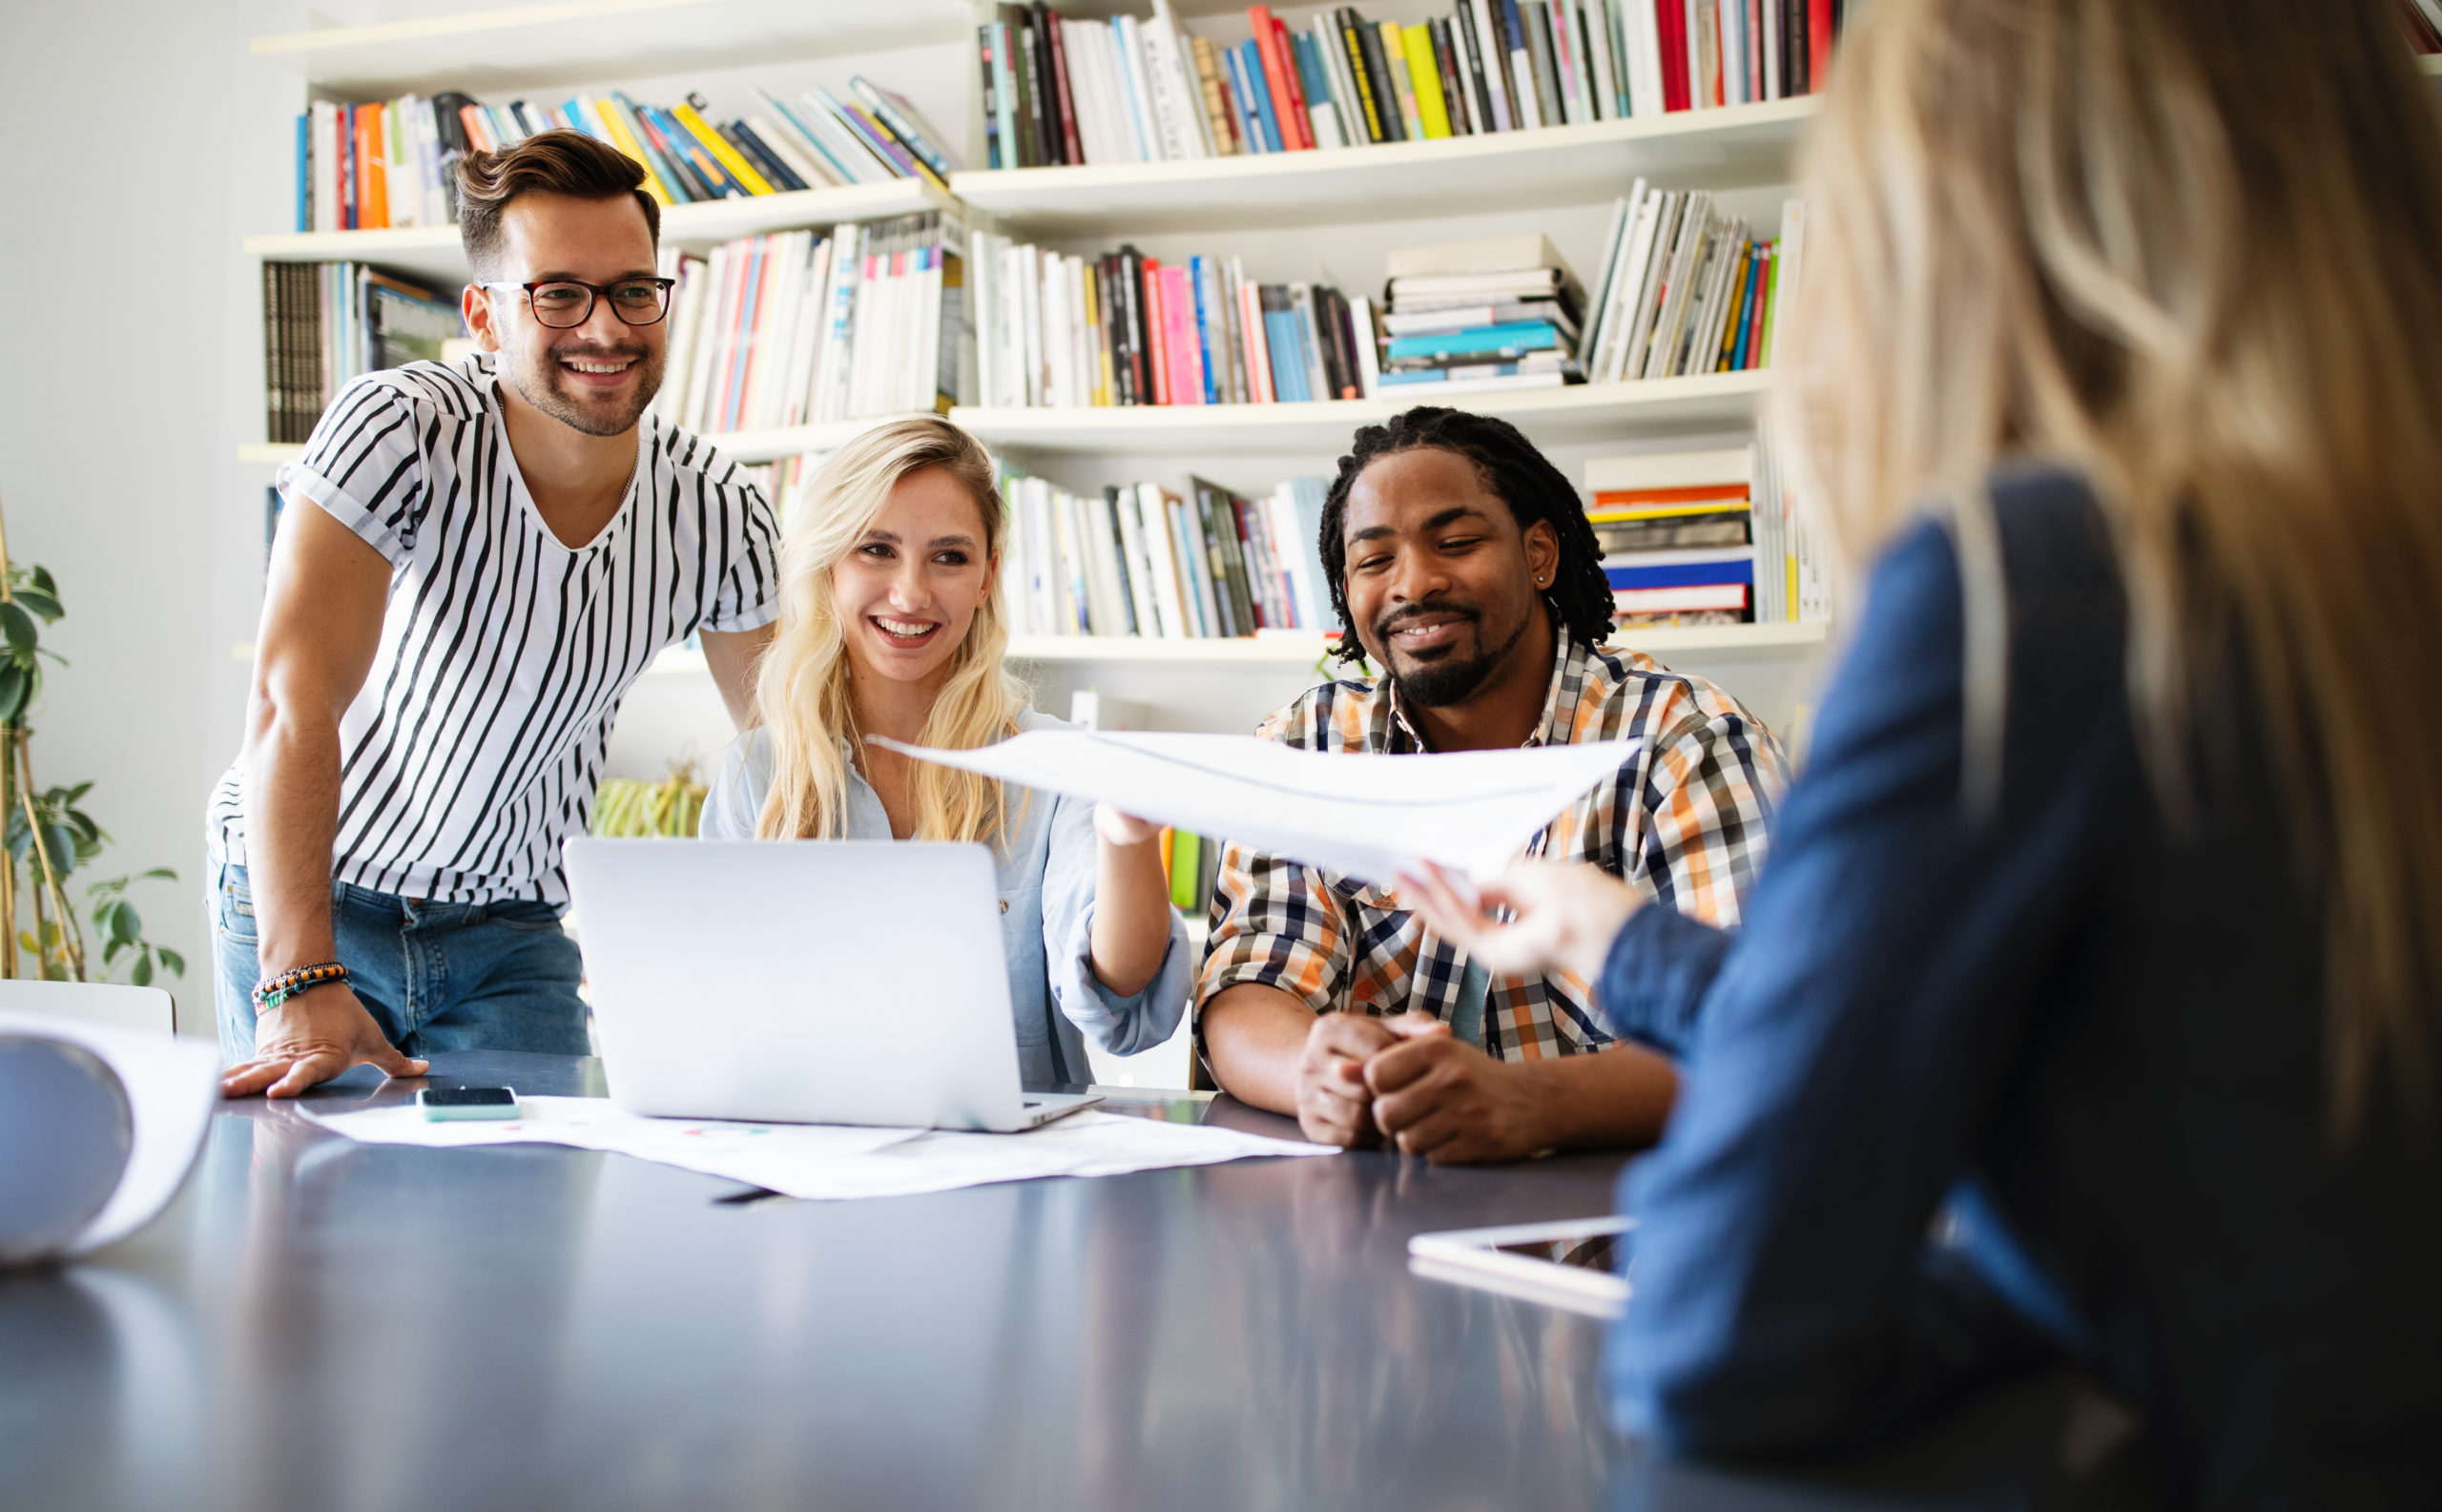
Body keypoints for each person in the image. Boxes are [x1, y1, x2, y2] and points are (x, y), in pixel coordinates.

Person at [1403, 0, 2442, 1499]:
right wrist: (1629, 951)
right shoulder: (2353, 571)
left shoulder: (2044, 577)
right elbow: (2163, 1055)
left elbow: (1723, 1336)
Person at [213, 131, 781, 1098]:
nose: (605, 328)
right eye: (556, 293)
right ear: (482, 314)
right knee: (304, 1229)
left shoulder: (717, 505)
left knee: (526, 1232)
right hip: (316, 901)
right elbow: (289, 701)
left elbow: (790, 750)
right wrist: (299, 971)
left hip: (511, 933)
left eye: (634, 291)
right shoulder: (397, 428)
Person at [1195, 407, 1787, 1163]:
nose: (1414, 582)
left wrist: (1527, 1101)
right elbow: (1248, 985)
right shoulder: (1304, 748)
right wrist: (1314, 1070)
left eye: (1457, 543)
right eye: (1374, 561)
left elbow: (1767, 1032)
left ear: (1539, 554)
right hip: (1370, 1235)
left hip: (1625, 1234)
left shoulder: (1687, 742)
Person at [699, 416, 1190, 1083]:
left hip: (1013, 1165)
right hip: (814, 1151)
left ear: (987, 576)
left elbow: (1121, 996)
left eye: (949, 557)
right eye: (876, 549)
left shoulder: (1056, 763)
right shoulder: (757, 772)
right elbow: (720, 1012)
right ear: (829, 564)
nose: (910, 593)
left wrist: (1126, 837)